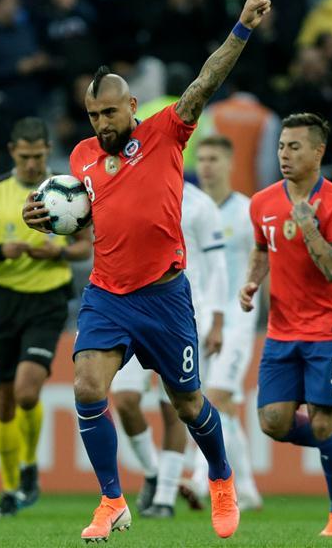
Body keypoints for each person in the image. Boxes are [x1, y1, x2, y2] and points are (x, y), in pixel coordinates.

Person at [22, 0, 277, 543]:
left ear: (132, 105)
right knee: (88, 388)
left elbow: (205, 81)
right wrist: (39, 216)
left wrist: (241, 28)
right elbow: (89, 215)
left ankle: (221, 478)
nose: (101, 125)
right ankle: (112, 501)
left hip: (164, 295)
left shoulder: (167, 131)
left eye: (110, 113)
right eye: (93, 116)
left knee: (188, 403)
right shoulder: (82, 157)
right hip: (108, 293)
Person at [0, 117, 92, 519]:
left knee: (26, 391)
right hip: (4, 301)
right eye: (25, 156)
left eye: (39, 155)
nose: (33, 163)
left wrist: (60, 253)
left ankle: (30, 464)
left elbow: (84, 246)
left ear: (47, 150)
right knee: (1, 399)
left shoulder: (65, 190)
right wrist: (4, 250)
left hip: (47, 300)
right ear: (12, 152)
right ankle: (10, 487)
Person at [239, 113, 332, 537]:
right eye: (281, 147)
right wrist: (252, 281)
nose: (285, 155)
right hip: (281, 330)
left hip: (329, 330)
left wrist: (309, 226)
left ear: (318, 151)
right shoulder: (262, 202)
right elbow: (260, 248)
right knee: (272, 421)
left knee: (323, 422)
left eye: (294, 147)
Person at [109, 180, 227, 519]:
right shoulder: (130, 192)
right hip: (131, 309)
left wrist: (217, 320)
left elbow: (218, 266)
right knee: (126, 399)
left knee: (176, 406)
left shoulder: (200, 205)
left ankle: (163, 498)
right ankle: (153, 472)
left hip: (184, 312)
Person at [191, 135, 263, 510]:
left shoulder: (247, 212)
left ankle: (197, 482)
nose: (206, 165)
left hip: (236, 321)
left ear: (230, 162)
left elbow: (268, 263)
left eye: (214, 158)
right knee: (225, 408)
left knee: (212, 399)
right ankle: (248, 490)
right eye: (201, 158)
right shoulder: (191, 209)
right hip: (196, 318)